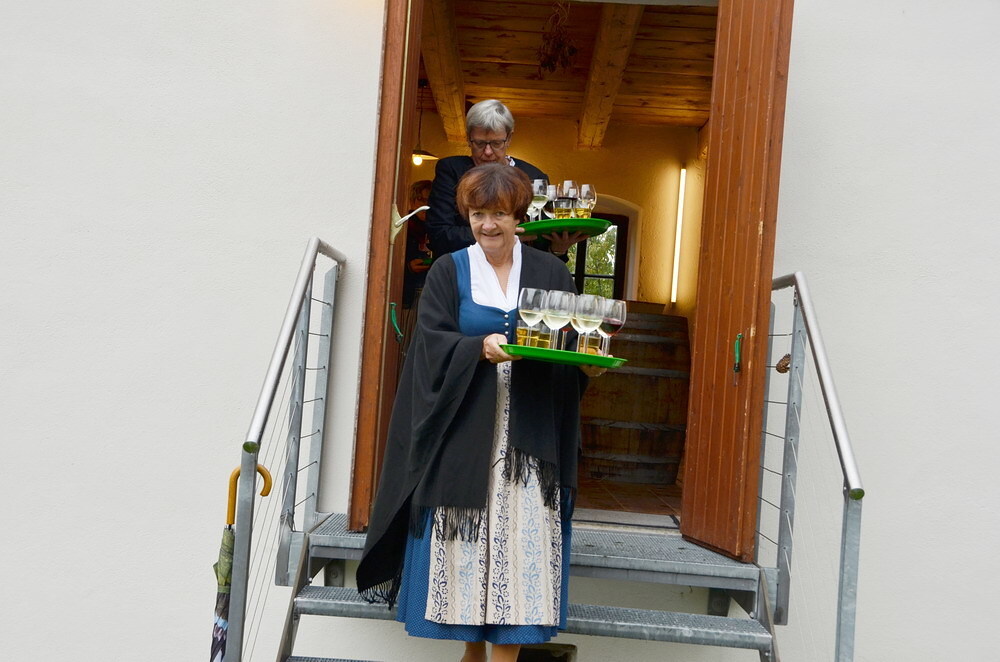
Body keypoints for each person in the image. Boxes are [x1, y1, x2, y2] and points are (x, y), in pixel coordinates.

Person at [357, 164, 603, 662]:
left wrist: (587, 364)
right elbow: (429, 346)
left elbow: (568, 340)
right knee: (467, 550)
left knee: (517, 551)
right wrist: (478, 349)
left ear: (519, 217)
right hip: (463, 432)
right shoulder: (449, 271)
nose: (488, 225)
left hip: (529, 439)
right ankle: (471, 653)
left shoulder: (551, 272)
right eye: (477, 214)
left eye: (499, 214)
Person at [425, 99, 583, 260]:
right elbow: (439, 234)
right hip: (461, 269)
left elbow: (541, 248)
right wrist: (501, 235)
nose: (487, 152)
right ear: (468, 138)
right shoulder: (451, 170)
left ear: (509, 138)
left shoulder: (534, 177)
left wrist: (558, 249)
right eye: (479, 143)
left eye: (496, 143)